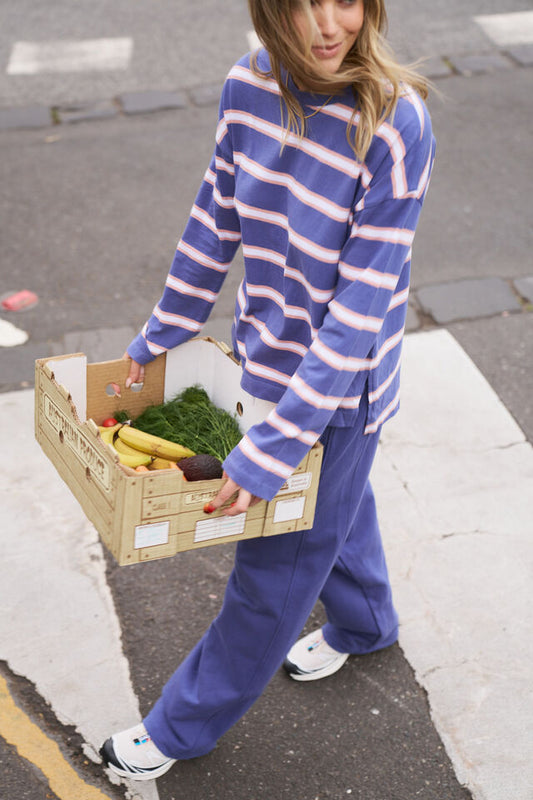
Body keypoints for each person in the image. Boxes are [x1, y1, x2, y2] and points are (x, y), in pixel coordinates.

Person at [100, 0, 436, 782]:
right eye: (301, 3)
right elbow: (213, 224)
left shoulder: (394, 124)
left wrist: (269, 453)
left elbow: (358, 310)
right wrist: (156, 339)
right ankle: (368, 624)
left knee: (271, 580)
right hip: (262, 358)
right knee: (336, 514)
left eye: (346, 1)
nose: (327, 25)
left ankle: (178, 729)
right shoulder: (247, 85)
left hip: (336, 395)